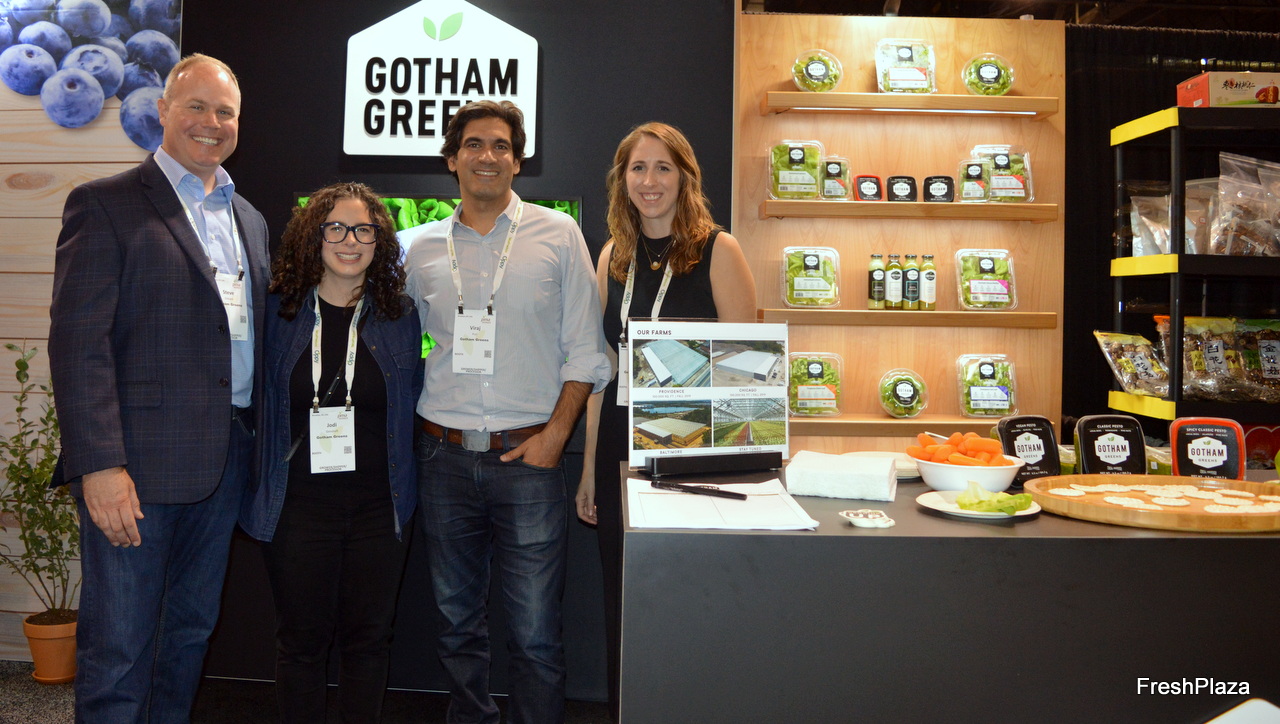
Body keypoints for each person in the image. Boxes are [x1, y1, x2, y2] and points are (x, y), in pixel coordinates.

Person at [48, 54, 270, 722]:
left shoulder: (249, 218)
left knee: (187, 639)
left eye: (225, 112)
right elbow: (78, 343)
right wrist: (99, 465)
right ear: (163, 111)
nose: (211, 122)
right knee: (118, 650)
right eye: (196, 106)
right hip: (135, 471)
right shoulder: (105, 203)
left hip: (226, 461)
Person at [403, 100, 611, 724]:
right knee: (456, 626)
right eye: (473, 144)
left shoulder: (559, 234)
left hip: (529, 458)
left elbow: (587, 351)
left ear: (518, 161)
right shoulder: (420, 249)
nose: (487, 156)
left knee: (535, 634)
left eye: (501, 145)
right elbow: (392, 345)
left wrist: (556, 437)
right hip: (441, 456)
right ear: (452, 159)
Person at [574, 121, 756, 717]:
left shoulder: (718, 250)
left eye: (662, 168)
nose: (649, 181)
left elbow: (750, 370)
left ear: (685, 177)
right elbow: (602, 369)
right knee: (624, 593)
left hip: (692, 448)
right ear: (621, 179)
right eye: (637, 168)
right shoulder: (613, 255)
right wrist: (589, 469)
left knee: (687, 592)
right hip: (620, 449)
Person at [239, 182, 422, 722]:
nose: (350, 240)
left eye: (364, 230)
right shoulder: (279, 312)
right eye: (336, 228)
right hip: (298, 508)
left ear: (379, 241)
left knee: (369, 642)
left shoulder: (399, 315)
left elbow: (411, 400)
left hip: (379, 510)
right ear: (313, 236)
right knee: (301, 643)